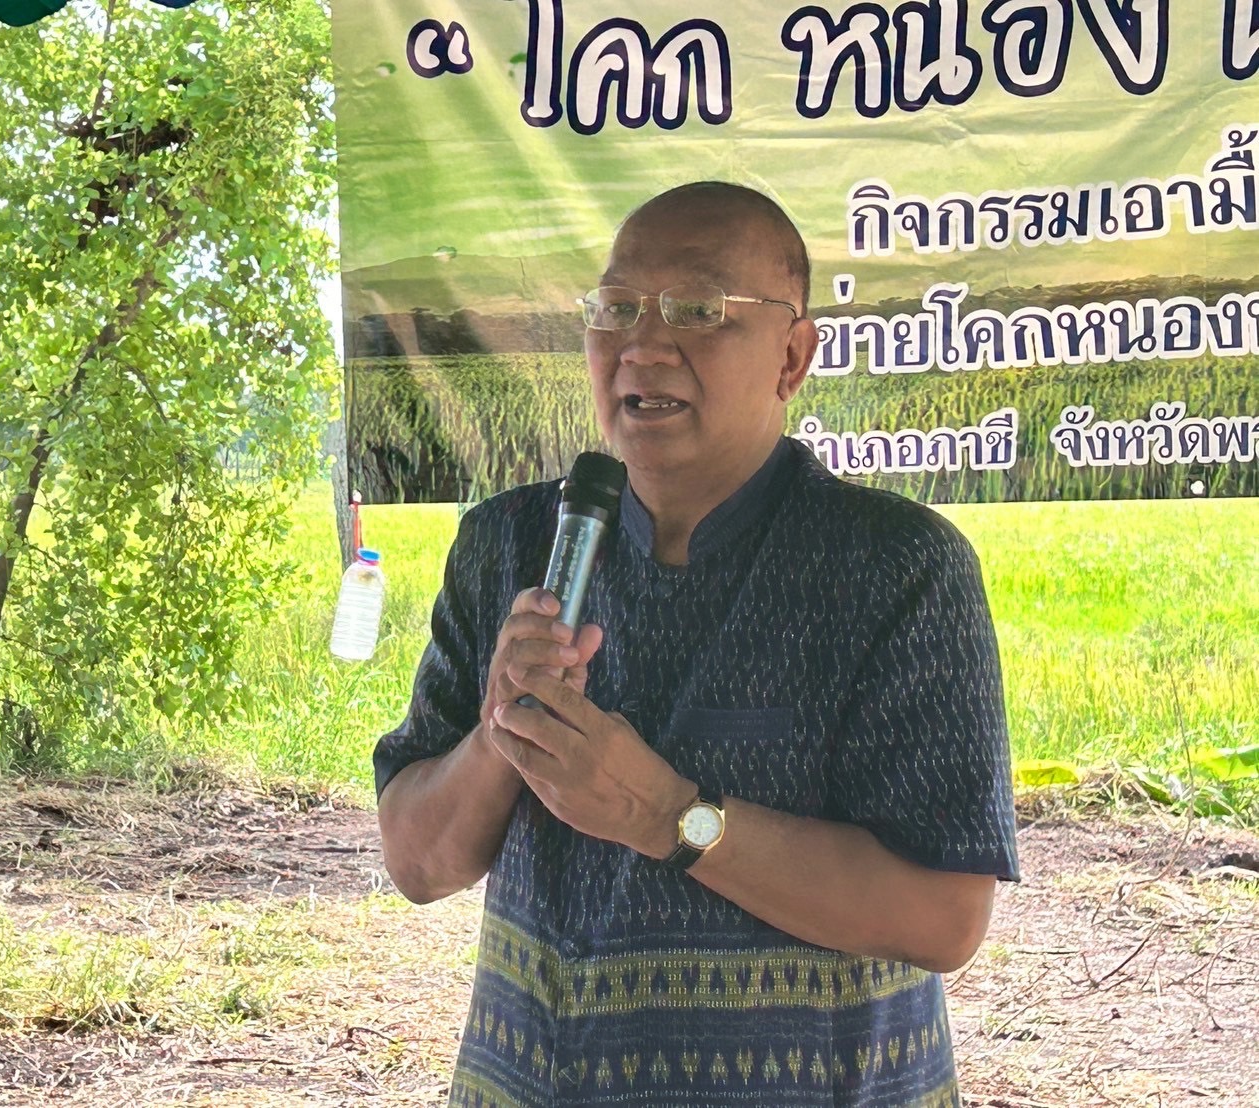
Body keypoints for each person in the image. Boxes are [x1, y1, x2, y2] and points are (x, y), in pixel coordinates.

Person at [373, 181, 1019, 1107]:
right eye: (616, 309)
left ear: (792, 356)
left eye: (697, 310)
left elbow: (944, 917)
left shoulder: (897, 568)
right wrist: (499, 736)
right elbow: (416, 863)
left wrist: (667, 816)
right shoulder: (508, 544)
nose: (642, 345)